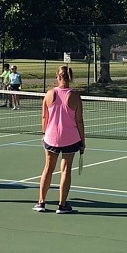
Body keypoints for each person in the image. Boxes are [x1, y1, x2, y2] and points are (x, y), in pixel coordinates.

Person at [34, 66, 85, 214]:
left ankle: (41, 202)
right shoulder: (75, 96)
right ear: (70, 78)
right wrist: (83, 141)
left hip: (51, 138)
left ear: (58, 77)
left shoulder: (49, 94)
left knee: (48, 168)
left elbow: (44, 117)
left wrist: (44, 133)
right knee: (66, 170)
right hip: (70, 138)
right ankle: (62, 205)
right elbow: (79, 121)